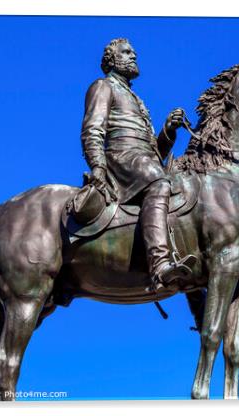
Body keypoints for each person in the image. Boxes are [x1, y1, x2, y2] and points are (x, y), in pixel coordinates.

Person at [80, 38, 191, 291]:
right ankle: (160, 264)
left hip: (141, 160)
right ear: (112, 59)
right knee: (159, 182)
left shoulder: (135, 97)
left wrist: (168, 131)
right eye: (127, 52)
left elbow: (154, 151)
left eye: (133, 52)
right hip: (120, 158)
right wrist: (98, 166)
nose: (133, 55)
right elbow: (92, 130)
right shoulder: (103, 86)